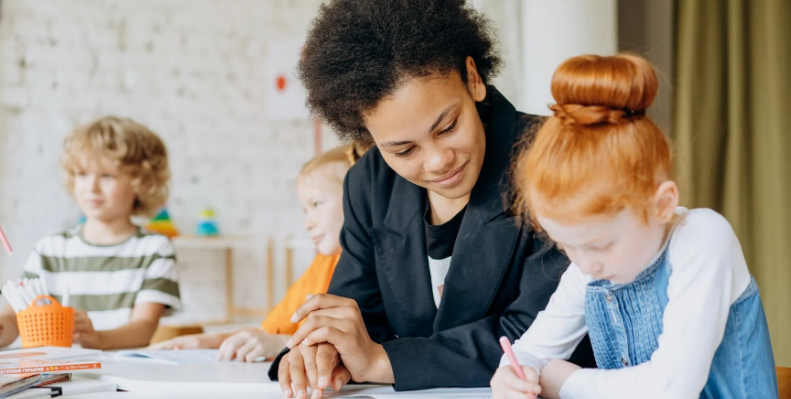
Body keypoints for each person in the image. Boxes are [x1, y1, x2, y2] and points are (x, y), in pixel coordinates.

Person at [273, 0, 595, 397]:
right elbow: (356, 315)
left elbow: (541, 330)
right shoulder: (367, 184)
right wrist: (323, 351)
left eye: (448, 126)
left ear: (473, 78)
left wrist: (380, 361)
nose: (439, 161)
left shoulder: (558, 157)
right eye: (403, 150)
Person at [490, 54, 777, 399]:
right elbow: (533, 349)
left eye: (600, 245)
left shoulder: (702, 237)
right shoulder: (589, 266)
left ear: (662, 204)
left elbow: (671, 388)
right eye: (566, 245)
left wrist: (563, 380)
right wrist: (512, 372)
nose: (584, 264)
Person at [149, 145, 363, 361]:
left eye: (317, 204)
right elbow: (269, 331)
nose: (308, 223)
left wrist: (281, 345)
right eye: (305, 210)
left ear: (359, 200)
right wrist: (204, 342)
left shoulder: (371, 270)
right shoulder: (322, 264)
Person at [0, 116, 181, 349]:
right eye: (82, 174)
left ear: (142, 182)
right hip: (61, 378)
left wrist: (97, 338)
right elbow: (15, 316)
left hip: (123, 378)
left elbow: (143, 328)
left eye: (107, 176)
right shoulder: (50, 249)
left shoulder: (155, 249)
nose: (91, 187)